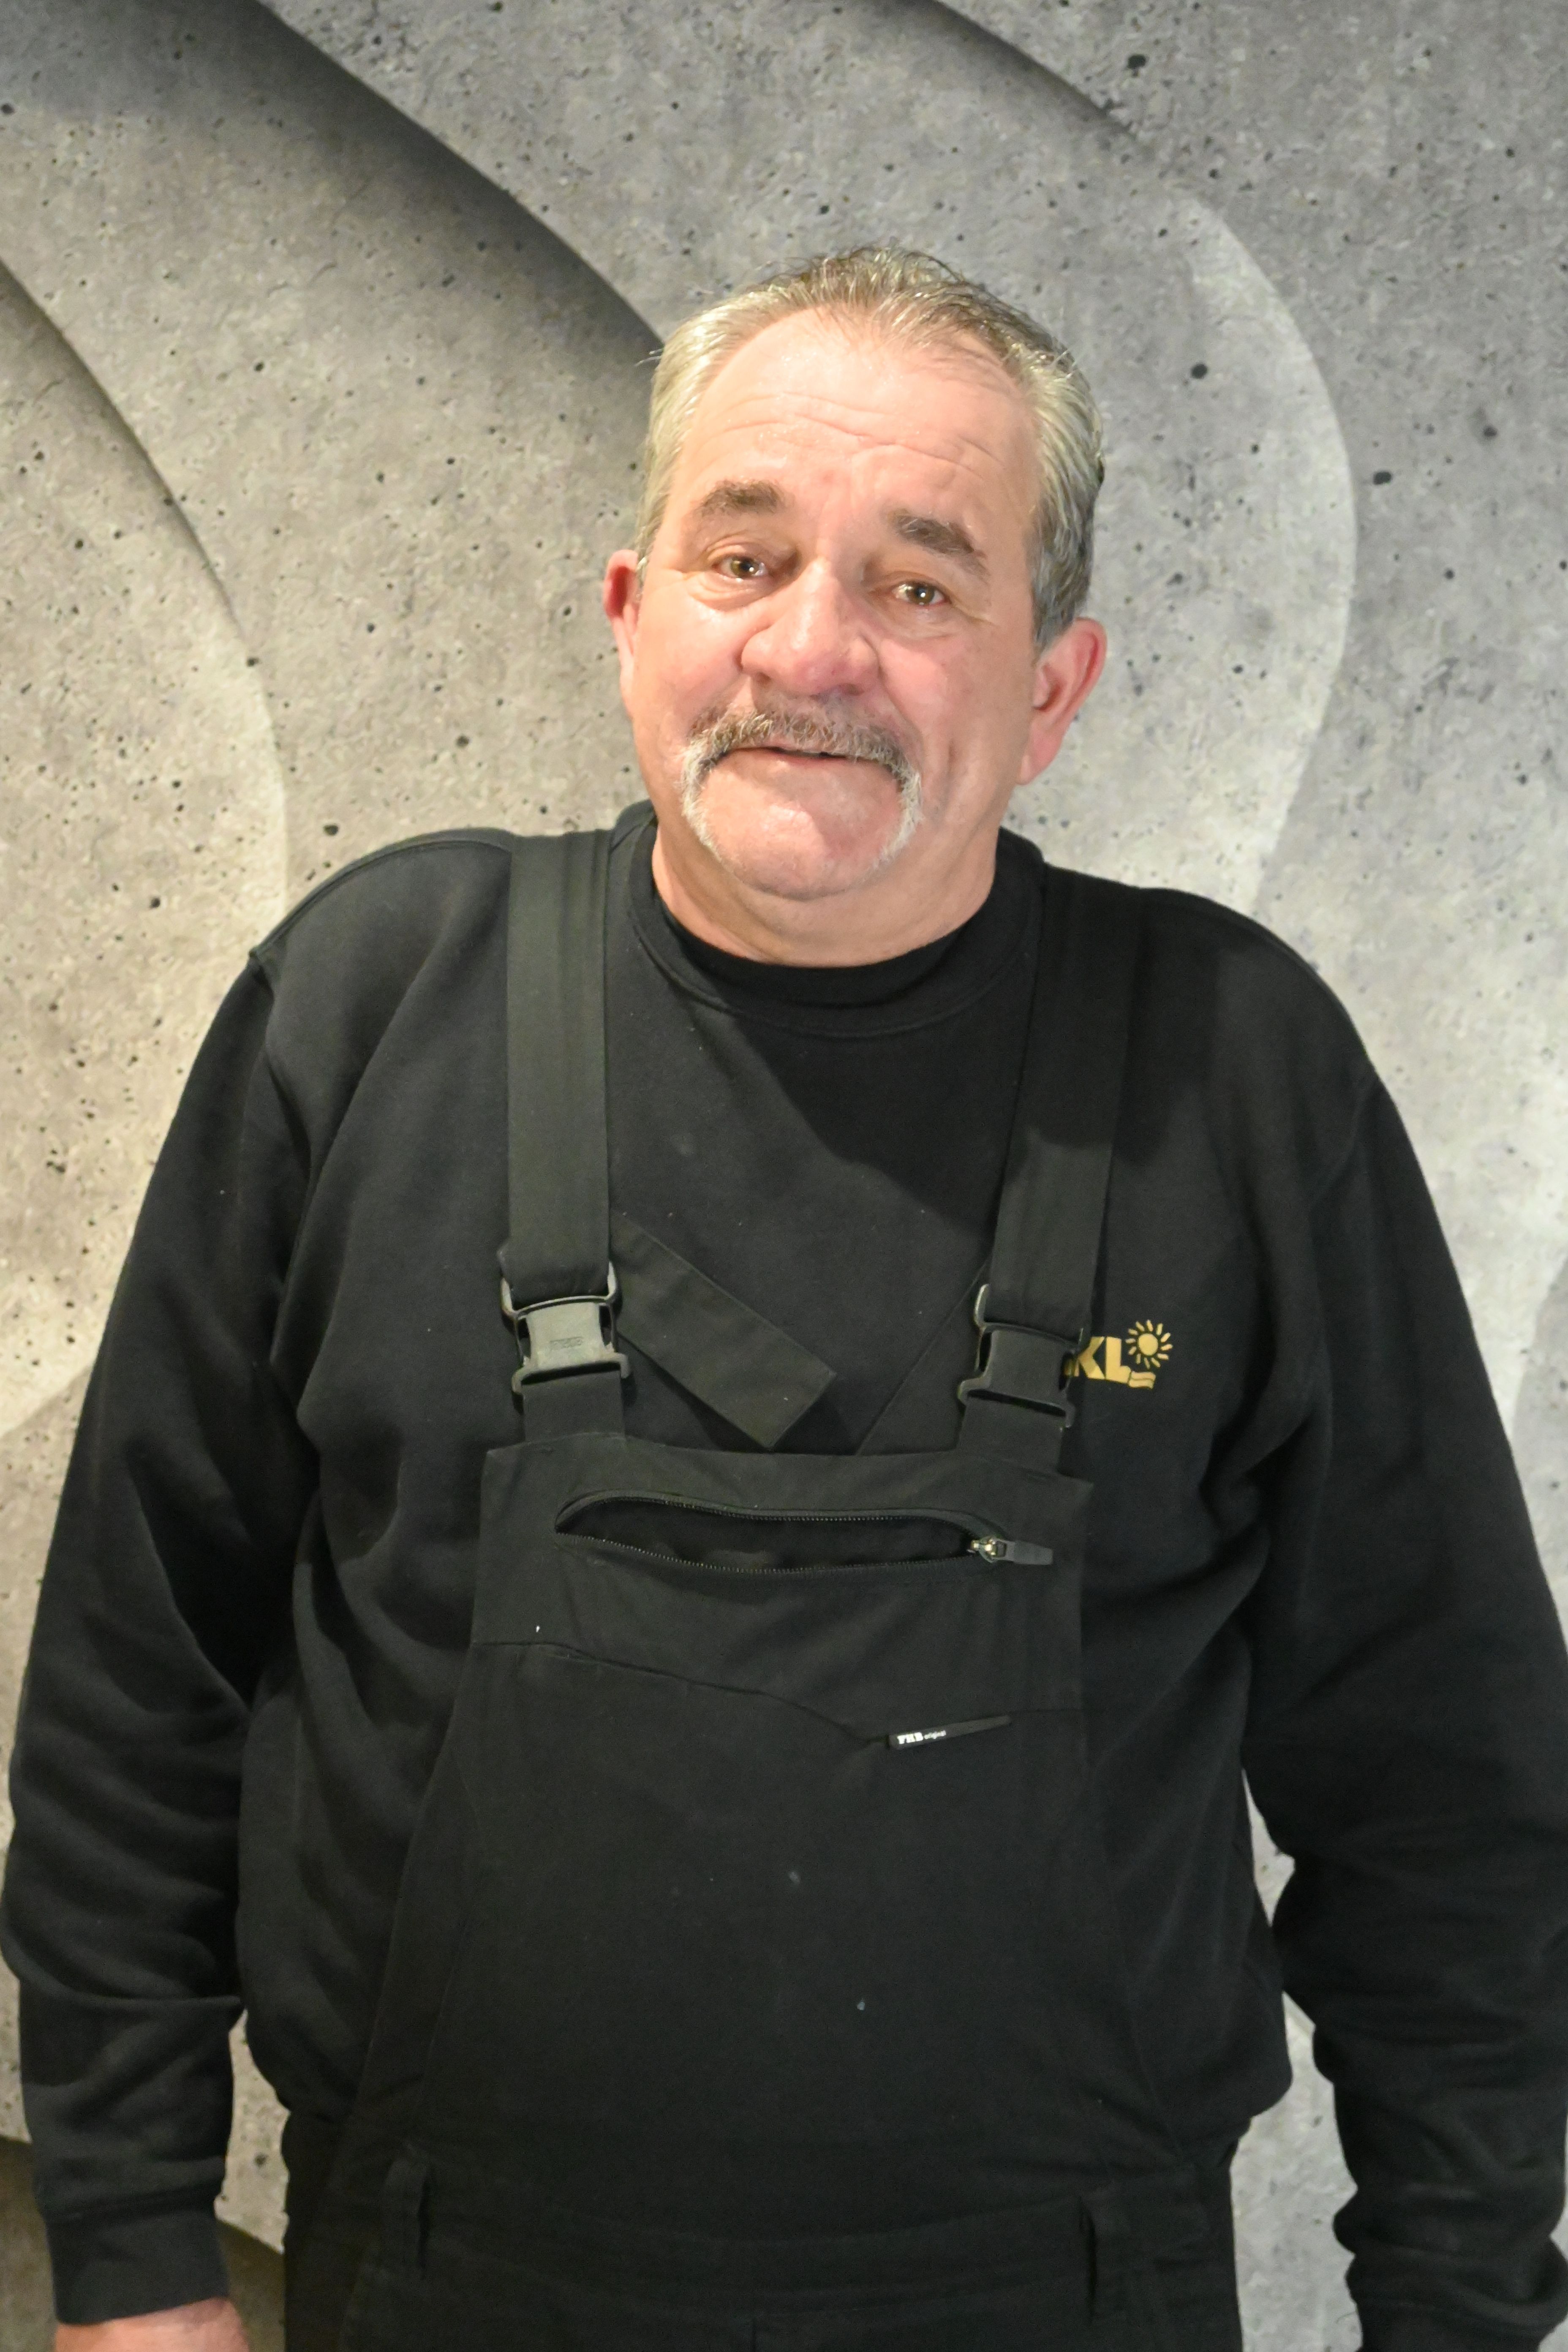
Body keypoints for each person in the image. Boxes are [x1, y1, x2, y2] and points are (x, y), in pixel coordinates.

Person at [5, 246, 1567, 2352]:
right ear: (632, 612)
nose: (810, 649)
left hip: (1069, 2302)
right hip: (445, 2281)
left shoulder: (1230, 1070)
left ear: (1051, 688)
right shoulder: (374, 1009)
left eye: (921, 585)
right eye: (743, 558)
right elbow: (141, 1672)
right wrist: (130, 2250)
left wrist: (1458, 2306)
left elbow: (1442, 1773)